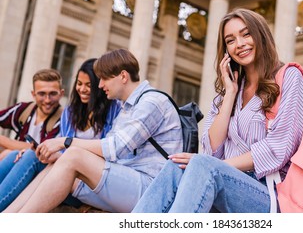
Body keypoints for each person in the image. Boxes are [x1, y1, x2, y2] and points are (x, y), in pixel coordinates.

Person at [132, 8, 303, 213]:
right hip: (225, 180)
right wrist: (230, 94)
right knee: (176, 165)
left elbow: (278, 149)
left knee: (201, 164)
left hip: (269, 192)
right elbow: (212, 148)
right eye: (230, 40)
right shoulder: (230, 89)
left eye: (246, 34)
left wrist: (218, 166)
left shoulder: (289, 77)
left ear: (260, 35)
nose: (240, 44)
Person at [4, 49, 183, 213]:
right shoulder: (128, 107)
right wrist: (59, 155)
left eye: (104, 78)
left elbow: (115, 149)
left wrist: (64, 142)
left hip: (152, 190)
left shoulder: (151, 102)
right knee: (56, 164)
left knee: (73, 155)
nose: (100, 85)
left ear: (122, 76)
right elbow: (111, 155)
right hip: (130, 182)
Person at [0, 58, 121, 211]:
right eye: (79, 83)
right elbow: (62, 152)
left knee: (27, 156)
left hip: (86, 181)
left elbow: (112, 151)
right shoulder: (71, 112)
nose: (82, 89)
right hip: (63, 171)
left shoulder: (113, 111)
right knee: (23, 155)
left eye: (89, 85)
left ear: (100, 85)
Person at [0, 69, 64, 160]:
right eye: (42, 94)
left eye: (53, 94)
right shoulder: (23, 109)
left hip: (40, 169)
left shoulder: (64, 120)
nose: (47, 100)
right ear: (33, 94)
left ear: (61, 94)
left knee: (9, 153)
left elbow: (41, 150)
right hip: (16, 162)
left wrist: (2, 140)